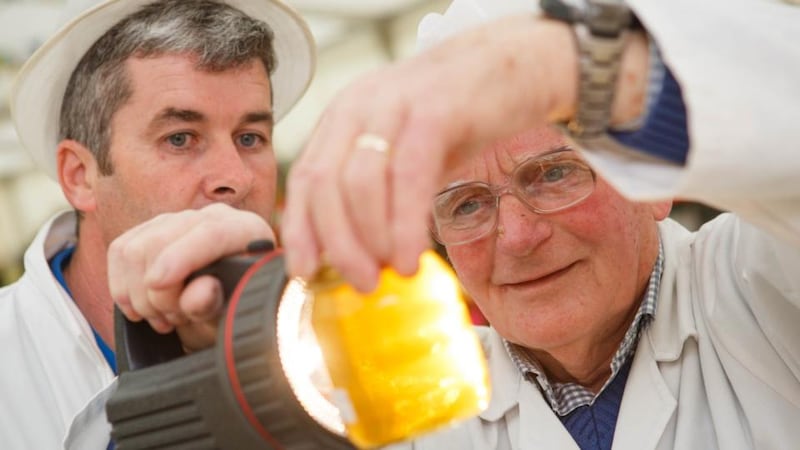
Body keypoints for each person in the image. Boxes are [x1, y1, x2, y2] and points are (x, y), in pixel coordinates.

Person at [106, 0, 800, 449]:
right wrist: (223, 341)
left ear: (656, 187)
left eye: (555, 173)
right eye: (468, 204)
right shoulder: (415, 391)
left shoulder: (760, 286)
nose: (517, 237)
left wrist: (564, 63)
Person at [0, 0, 314, 448]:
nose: (236, 178)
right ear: (80, 176)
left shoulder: (330, 327)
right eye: (180, 138)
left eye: (250, 138)